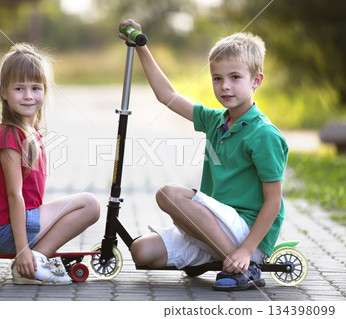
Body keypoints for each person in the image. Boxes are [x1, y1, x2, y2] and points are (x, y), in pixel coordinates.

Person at [119, 20, 288, 291]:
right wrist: (141, 47)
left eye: (235, 77)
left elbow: (273, 204)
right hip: (214, 228)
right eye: (217, 78)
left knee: (168, 194)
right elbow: (167, 96)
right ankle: (221, 256)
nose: (225, 87)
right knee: (141, 251)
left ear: (256, 80)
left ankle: (246, 267)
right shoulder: (215, 120)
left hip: (246, 235)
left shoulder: (264, 135)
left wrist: (247, 250)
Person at [0, 43, 100, 285]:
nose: (28, 95)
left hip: (16, 225)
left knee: (88, 205)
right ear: (3, 92)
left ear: (45, 91)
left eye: (36, 88)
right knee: (89, 204)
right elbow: (15, 196)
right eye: (19, 88)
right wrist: (22, 248)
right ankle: (33, 262)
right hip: (5, 231)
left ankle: (32, 262)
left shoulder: (29, 131)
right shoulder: (10, 136)